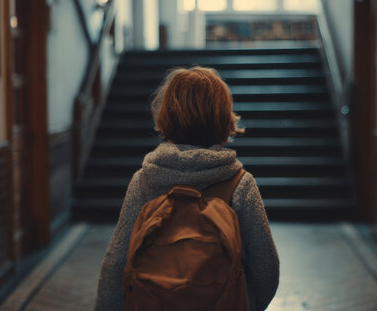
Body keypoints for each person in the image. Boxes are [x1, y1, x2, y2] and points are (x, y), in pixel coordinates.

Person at [95, 66, 279, 311]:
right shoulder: (240, 184)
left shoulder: (145, 181)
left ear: (167, 115)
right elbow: (266, 268)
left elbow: (116, 263)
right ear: (223, 117)